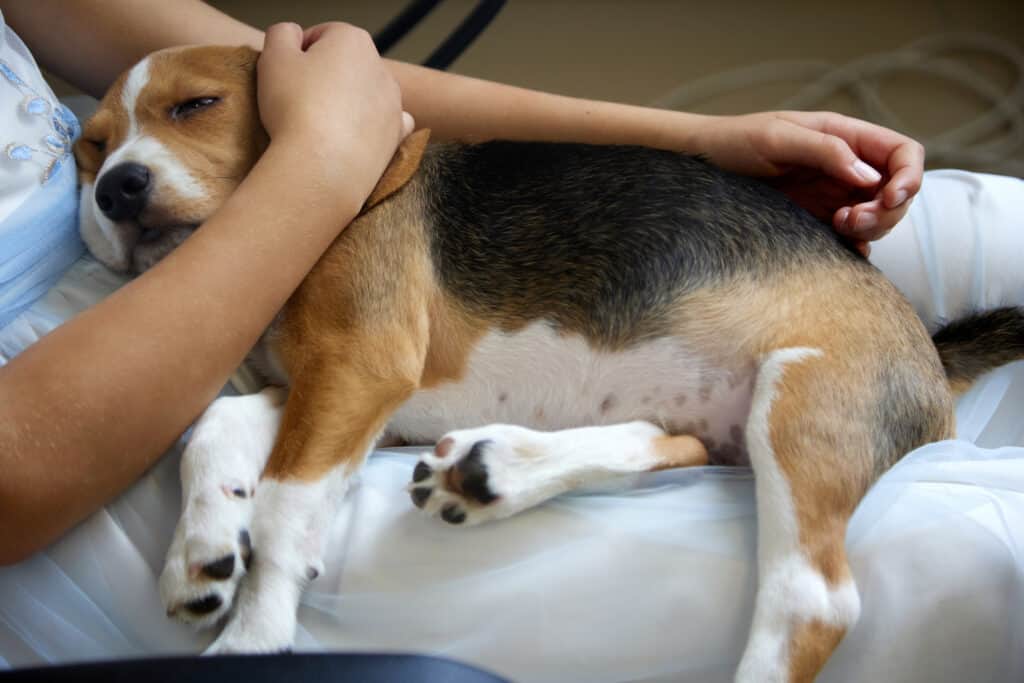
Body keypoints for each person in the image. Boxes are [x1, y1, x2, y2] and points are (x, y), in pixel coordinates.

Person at [0, 2, 1021, 681]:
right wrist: (320, 161)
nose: (116, 170)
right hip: (78, 403)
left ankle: (654, 440)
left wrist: (698, 137)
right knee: (966, 559)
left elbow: (324, 83)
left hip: (735, 298)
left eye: (189, 111)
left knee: (996, 226)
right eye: (95, 152)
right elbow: (335, 154)